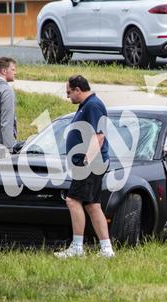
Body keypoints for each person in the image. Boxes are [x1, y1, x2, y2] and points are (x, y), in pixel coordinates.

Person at [55, 75, 115, 258]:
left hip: (90, 163)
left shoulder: (93, 105)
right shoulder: (87, 105)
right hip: (90, 163)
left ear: (78, 89)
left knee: (72, 200)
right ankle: (106, 249)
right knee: (92, 205)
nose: (67, 96)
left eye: (69, 92)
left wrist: (86, 160)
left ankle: (77, 248)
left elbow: (99, 135)